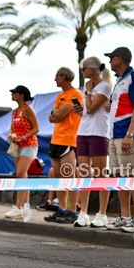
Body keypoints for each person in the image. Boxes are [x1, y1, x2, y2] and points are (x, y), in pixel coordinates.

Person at [104, 47, 134, 233]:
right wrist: (112, 105)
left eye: (111, 58)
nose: (109, 61)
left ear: (119, 60)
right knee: (119, 177)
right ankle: (125, 217)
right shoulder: (120, 81)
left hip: (127, 136)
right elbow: (127, 106)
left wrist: (130, 135)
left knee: (132, 176)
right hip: (115, 136)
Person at [73, 57, 114, 227]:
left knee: (100, 174)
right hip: (83, 132)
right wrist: (80, 110)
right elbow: (87, 111)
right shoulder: (87, 86)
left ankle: (102, 213)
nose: (82, 72)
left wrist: (89, 93)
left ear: (92, 69)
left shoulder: (104, 86)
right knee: (83, 173)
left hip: (98, 133)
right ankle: (83, 212)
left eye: (83, 69)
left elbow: (91, 108)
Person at [45, 68, 82, 224]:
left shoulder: (76, 94)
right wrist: (57, 113)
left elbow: (58, 115)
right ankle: (62, 209)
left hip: (68, 140)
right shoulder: (60, 95)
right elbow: (51, 117)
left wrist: (57, 113)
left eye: (56, 76)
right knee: (57, 176)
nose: (55, 79)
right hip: (56, 140)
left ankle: (73, 211)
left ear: (63, 77)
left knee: (69, 176)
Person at [4, 85, 39, 219]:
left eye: (14, 92)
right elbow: (13, 128)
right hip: (17, 145)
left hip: (29, 145)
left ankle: (19, 207)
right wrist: (11, 134)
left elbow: (36, 128)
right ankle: (25, 207)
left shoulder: (28, 109)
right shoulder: (14, 111)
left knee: (20, 173)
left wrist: (23, 137)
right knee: (22, 176)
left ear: (21, 95)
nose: (12, 94)